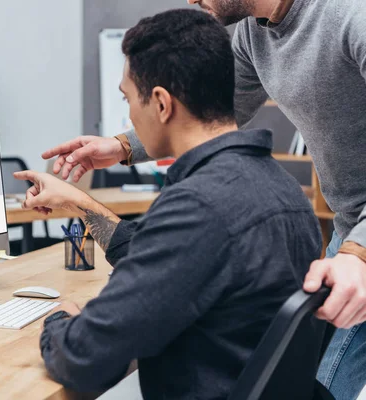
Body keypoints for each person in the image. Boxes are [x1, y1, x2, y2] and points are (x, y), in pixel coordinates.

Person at [43, 1, 366, 398]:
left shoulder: (353, 17)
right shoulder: (280, 195)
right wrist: (118, 149)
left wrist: (58, 318)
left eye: (128, 100)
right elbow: (212, 106)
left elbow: (87, 355)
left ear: (160, 103)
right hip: (351, 223)